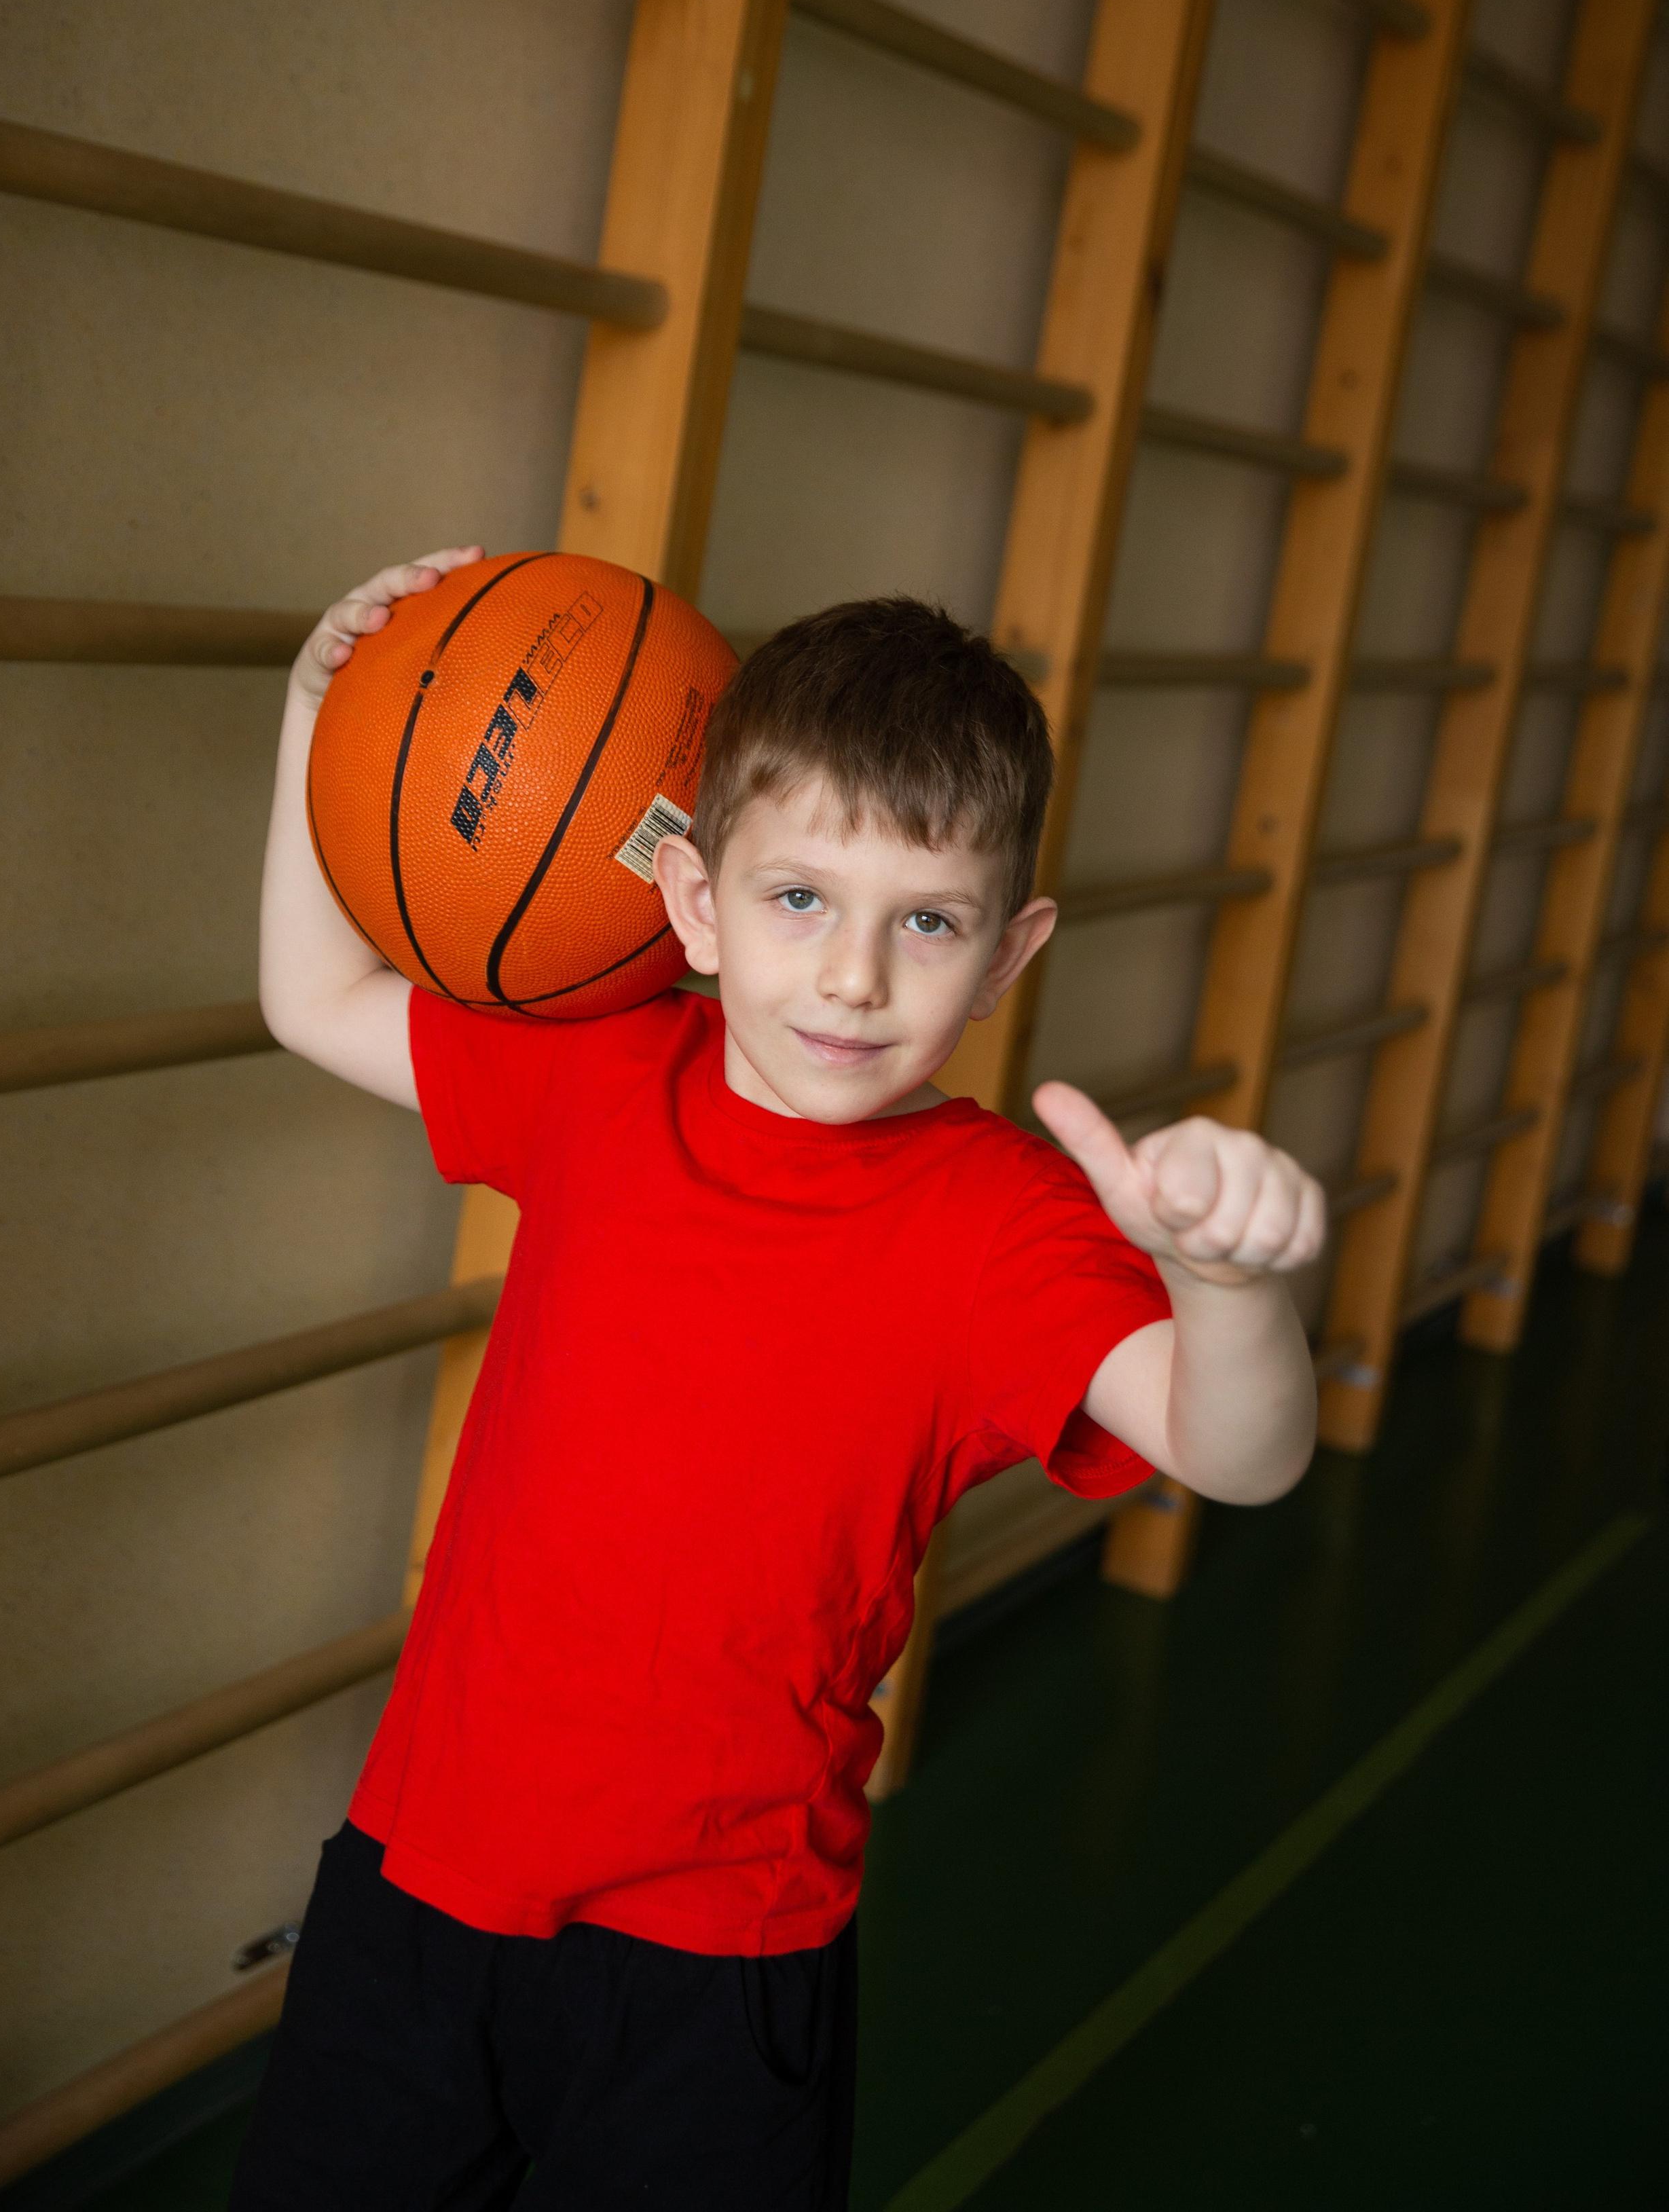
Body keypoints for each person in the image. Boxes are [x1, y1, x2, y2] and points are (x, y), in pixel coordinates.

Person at [234, 547, 1324, 2211]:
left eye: (927, 923)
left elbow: (1229, 1453)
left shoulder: (994, 1222)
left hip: (718, 1956)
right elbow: (313, 1002)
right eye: (798, 896)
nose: (852, 977)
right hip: (419, 1890)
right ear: (692, 898)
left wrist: (1224, 1287)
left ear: (1009, 949)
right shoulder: (601, 1079)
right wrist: (327, 717)